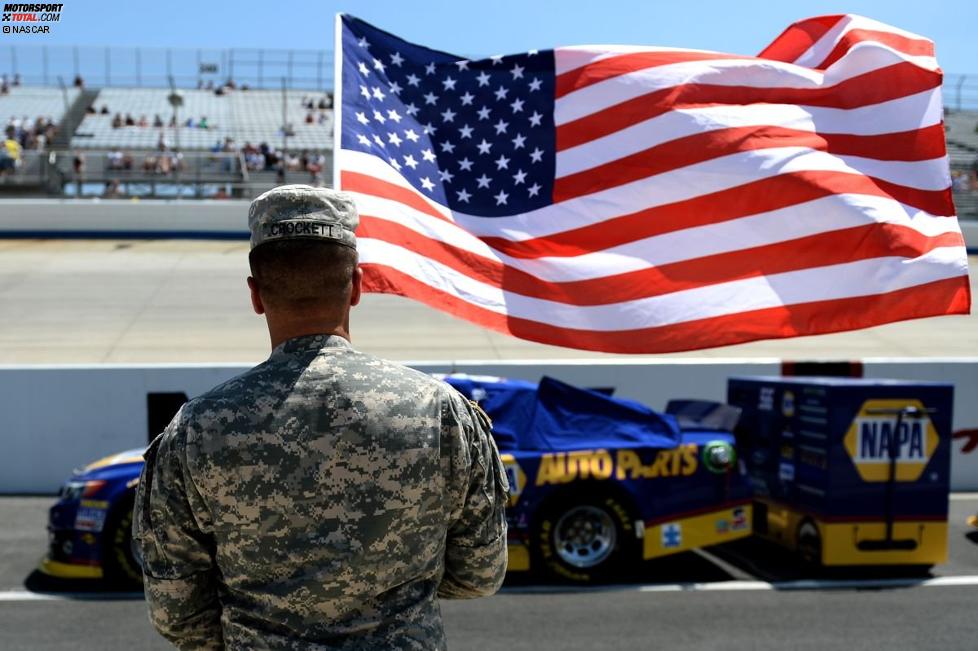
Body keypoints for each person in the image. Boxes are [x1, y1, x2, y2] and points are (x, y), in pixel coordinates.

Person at [132, 185, 509, 650]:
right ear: (356, 286)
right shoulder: (441, 412)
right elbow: (480, 573)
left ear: (255, 294)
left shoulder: (195, 430)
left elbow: (177, 613)